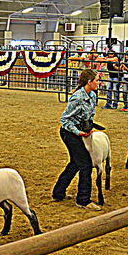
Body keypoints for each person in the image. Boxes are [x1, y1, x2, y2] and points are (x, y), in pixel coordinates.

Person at [52, 68, 103, 211]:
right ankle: (83, 200)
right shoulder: (78, 97)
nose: (99, 83)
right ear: (89, 82)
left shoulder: (92, 95)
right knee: (85, 164)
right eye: (97, 80)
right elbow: (65, 120)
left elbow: (90, 114)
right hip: (69, 132)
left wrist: (89, 127)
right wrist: (78, 132)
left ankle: (58, 192)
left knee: (75, 162)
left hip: (81, 131)